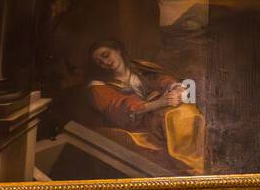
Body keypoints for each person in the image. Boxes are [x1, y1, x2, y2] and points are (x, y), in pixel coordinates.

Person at [75, 38, 205, 174]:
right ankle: (190, 170)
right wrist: (160, 102)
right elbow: (120, 109)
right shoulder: (98, 86)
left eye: (106, 55)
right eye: (100, 62)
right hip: (136, 126)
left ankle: (193, 168)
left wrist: (175, 87)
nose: (105, 63)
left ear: (117, 50)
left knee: (184, 112)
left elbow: (161, 80)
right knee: (177, 114)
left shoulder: (140, 69)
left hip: (158, 116)